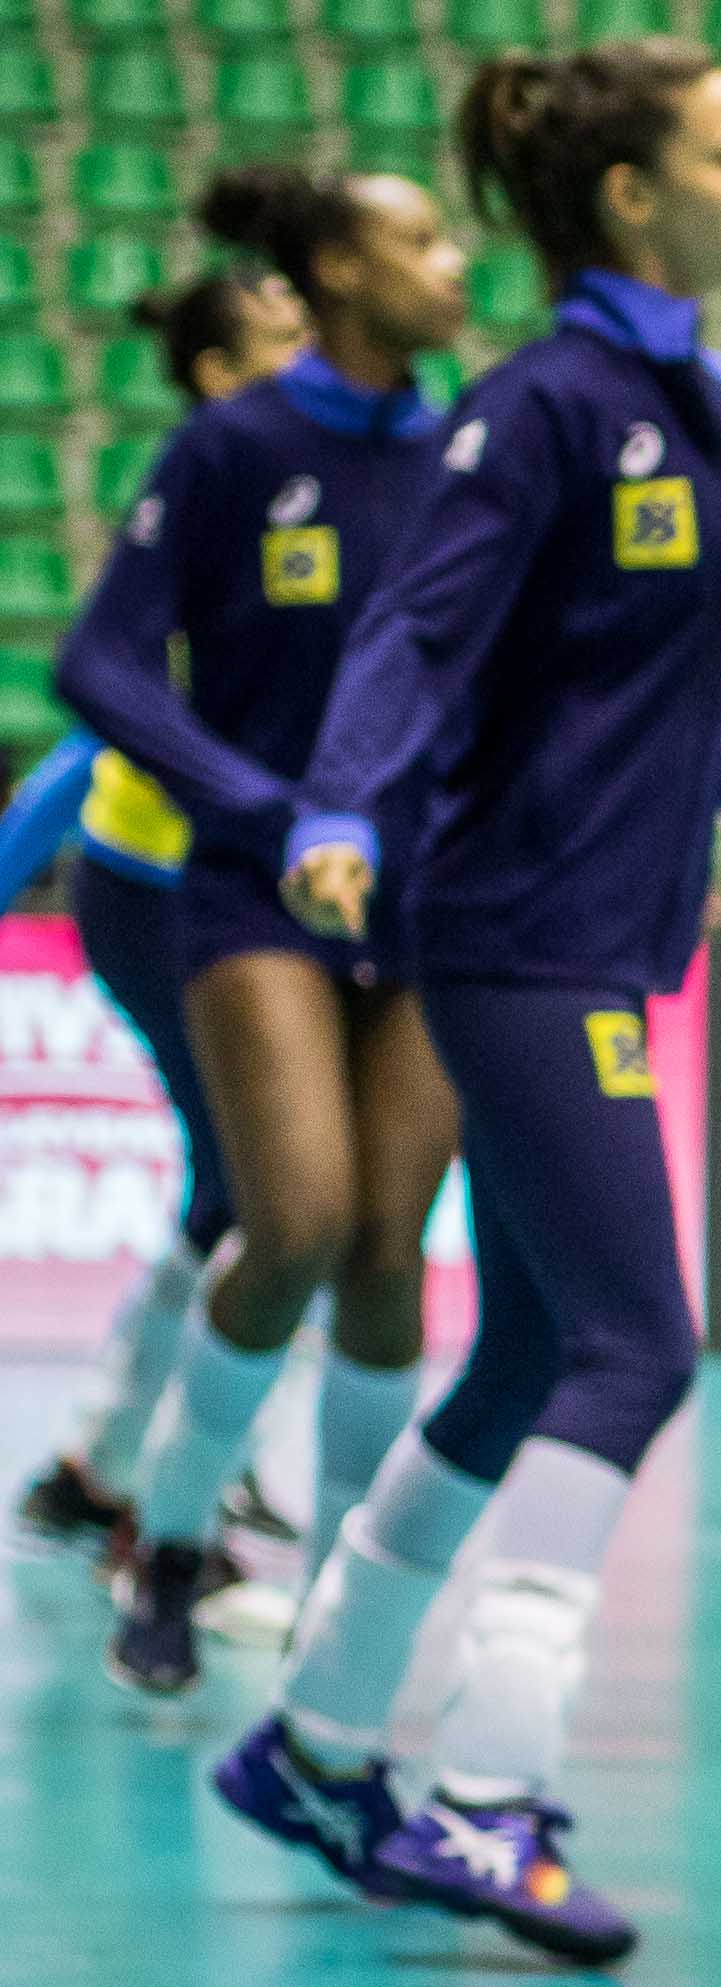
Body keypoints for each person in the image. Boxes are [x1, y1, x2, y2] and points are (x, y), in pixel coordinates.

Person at [246, 41, 721, 1965]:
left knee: (532, 1357)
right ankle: (482, 1798)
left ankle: (309, 1742)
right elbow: (416, 627)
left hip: (614, 938)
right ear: (633, 197)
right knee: (641, 1350)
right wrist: (341, 802)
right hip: (519, 936)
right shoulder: (542, 407)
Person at [75, 166, 477, 1703]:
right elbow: (100, 662)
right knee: (290, 1218)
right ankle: (170, 1542)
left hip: (423, 894)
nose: (453, 266)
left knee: (390, 1251)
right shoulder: (235, 445)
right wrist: (267, 807)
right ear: (331, 272)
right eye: (419, 242)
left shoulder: (466, 453)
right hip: (253, 888)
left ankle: (337, 1597)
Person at [14, 272, 303, 1570]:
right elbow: (98, 715)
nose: (308, 354)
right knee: (259, 1193)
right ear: (214, 372)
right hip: (157, 889)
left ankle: (105, 1468)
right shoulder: (214, 488)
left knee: (233, 1188)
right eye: (280, 337)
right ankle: (175, 1488)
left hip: (240, 887)